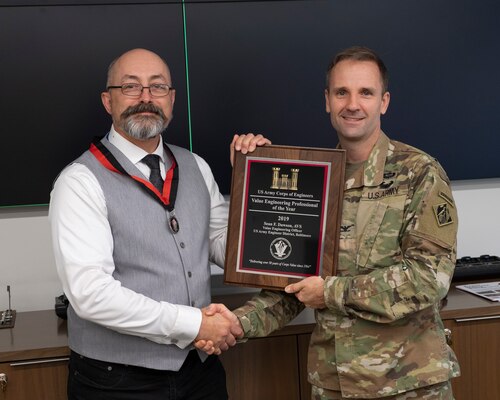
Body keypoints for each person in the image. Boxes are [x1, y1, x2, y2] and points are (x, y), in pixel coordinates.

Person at [201, 46, 460, 399]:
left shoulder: (419, 173)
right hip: (333, 384)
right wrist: (236, 323)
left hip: (408, 385)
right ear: (327, 100)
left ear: (383, 101)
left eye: (365, 92)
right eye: (342, 92)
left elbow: (429, 278)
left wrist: (331, 292)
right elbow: (293, 287)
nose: (352, 104)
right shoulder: (313, 180)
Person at [49, 48, 268, 400]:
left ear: (172, 99)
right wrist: (195, 324)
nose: (146, 98)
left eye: (158, 87)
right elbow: (90, 294)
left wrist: (255, 179)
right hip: (116, 382)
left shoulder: (196, 166)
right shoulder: (79, 182)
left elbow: (226, 249)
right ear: (108, 100)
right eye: (131, 87)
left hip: (200, 371)